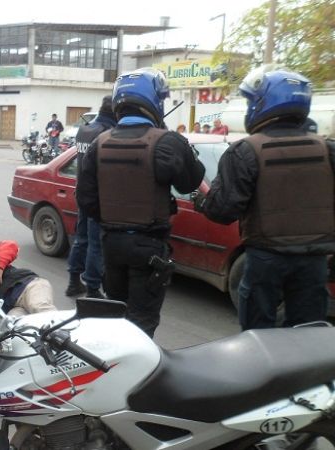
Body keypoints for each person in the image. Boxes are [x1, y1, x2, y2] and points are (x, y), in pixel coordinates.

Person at [195, 65, 335, 330]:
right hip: (315, 261)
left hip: (266, 260)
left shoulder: (245, 151)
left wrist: (203, 202)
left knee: (258, 339)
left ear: (264, 104)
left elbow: (223, 211)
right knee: (309, 339)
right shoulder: (327, 150)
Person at [76, 68, 205, 338]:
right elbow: (190, 182)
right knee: (142, 322)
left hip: (111, 245)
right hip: (149, 247)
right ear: (154, 101)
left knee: (117, 316)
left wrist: (112, 219)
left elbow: (85, 200)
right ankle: (139, 375)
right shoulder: (166, 141)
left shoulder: (100, 143)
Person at [65, 96, 116, 299]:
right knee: (96, 243)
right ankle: (93, 288)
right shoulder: (107, 133)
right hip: (98, 196)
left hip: (82, 192)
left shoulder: (85, 129)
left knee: (81, 239)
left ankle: (73, 281)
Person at [0, 240, 57, 316]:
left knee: (41, 309)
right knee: (12, 325)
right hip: (16, 307)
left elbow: (10, 245)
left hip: (29, 287)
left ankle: (69, 326)